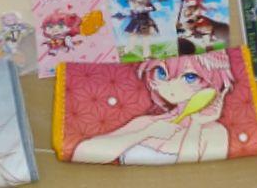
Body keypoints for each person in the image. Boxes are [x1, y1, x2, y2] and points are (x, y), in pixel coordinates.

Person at [71, 52, 234, 165]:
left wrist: (195, 126)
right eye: (162, 73)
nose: (171, 85)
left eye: (189, 77)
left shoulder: (214, 132)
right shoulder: (146, 123)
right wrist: (145, 133)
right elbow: (81, 153)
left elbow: (191, 175)